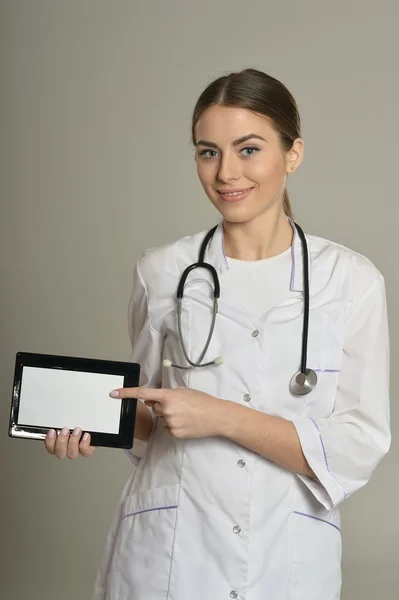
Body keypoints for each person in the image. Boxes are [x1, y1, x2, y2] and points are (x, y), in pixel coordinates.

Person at [44, 68, 391, 600]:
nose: (227, 172)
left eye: (248, 149)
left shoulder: (352, 282)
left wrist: (224, 416)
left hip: (286, 551)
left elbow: (357, 444)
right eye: (208, 152)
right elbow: (153, 413)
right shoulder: (160, 273)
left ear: (292, 154)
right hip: (171, 550)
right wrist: (92, 421)